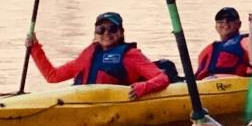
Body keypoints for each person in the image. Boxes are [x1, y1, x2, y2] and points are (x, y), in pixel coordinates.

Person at [27, 11, 169, 97]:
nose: (106, 33)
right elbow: (53, 76)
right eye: (101, 29)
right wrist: (34, 48)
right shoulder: (88, 54)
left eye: (112, 29)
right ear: (95, 34)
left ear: (121, 33)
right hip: (81, 102)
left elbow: (161, 78)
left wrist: (143, 87)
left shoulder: (131, 55)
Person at [194, 7, 252, 78]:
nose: (225, 23)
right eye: (220, 21)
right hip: (207, 85)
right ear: (216, 26)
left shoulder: (245, 42)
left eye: (230, 20)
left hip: (237, 84)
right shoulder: (208, 49)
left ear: (239, 24)